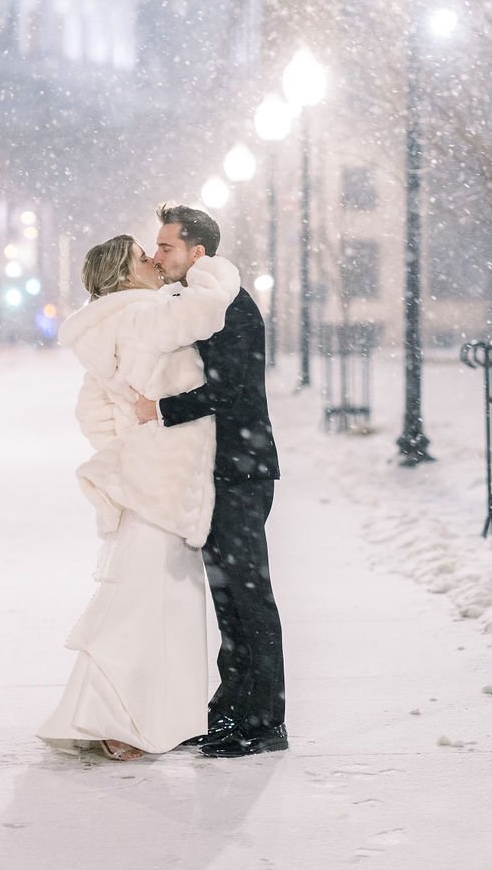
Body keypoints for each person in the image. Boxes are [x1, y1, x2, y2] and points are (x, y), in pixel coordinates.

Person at [38, 234, 240, 762]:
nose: (153, 260)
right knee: (151, 603)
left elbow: (93, 413)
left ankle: (113, 716)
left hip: (147, 477)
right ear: (124, 276)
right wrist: (212, 270)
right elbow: (204, 313)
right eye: (141, 258)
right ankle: (119, 723)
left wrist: (129, 452)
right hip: (167, 479)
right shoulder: (140, 315)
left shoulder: (105, 328)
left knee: (142, 596)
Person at [132, 202, 286, 759]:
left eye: (167, 246)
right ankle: (230, 713)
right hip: (222, 468)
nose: (157, 254)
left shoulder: (230, 306)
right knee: (229, 597)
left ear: (198, 252)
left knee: (249, 598)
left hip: (242, 470)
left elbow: (236, 390)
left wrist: (163, 408)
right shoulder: (201, 302)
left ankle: (264, 721)